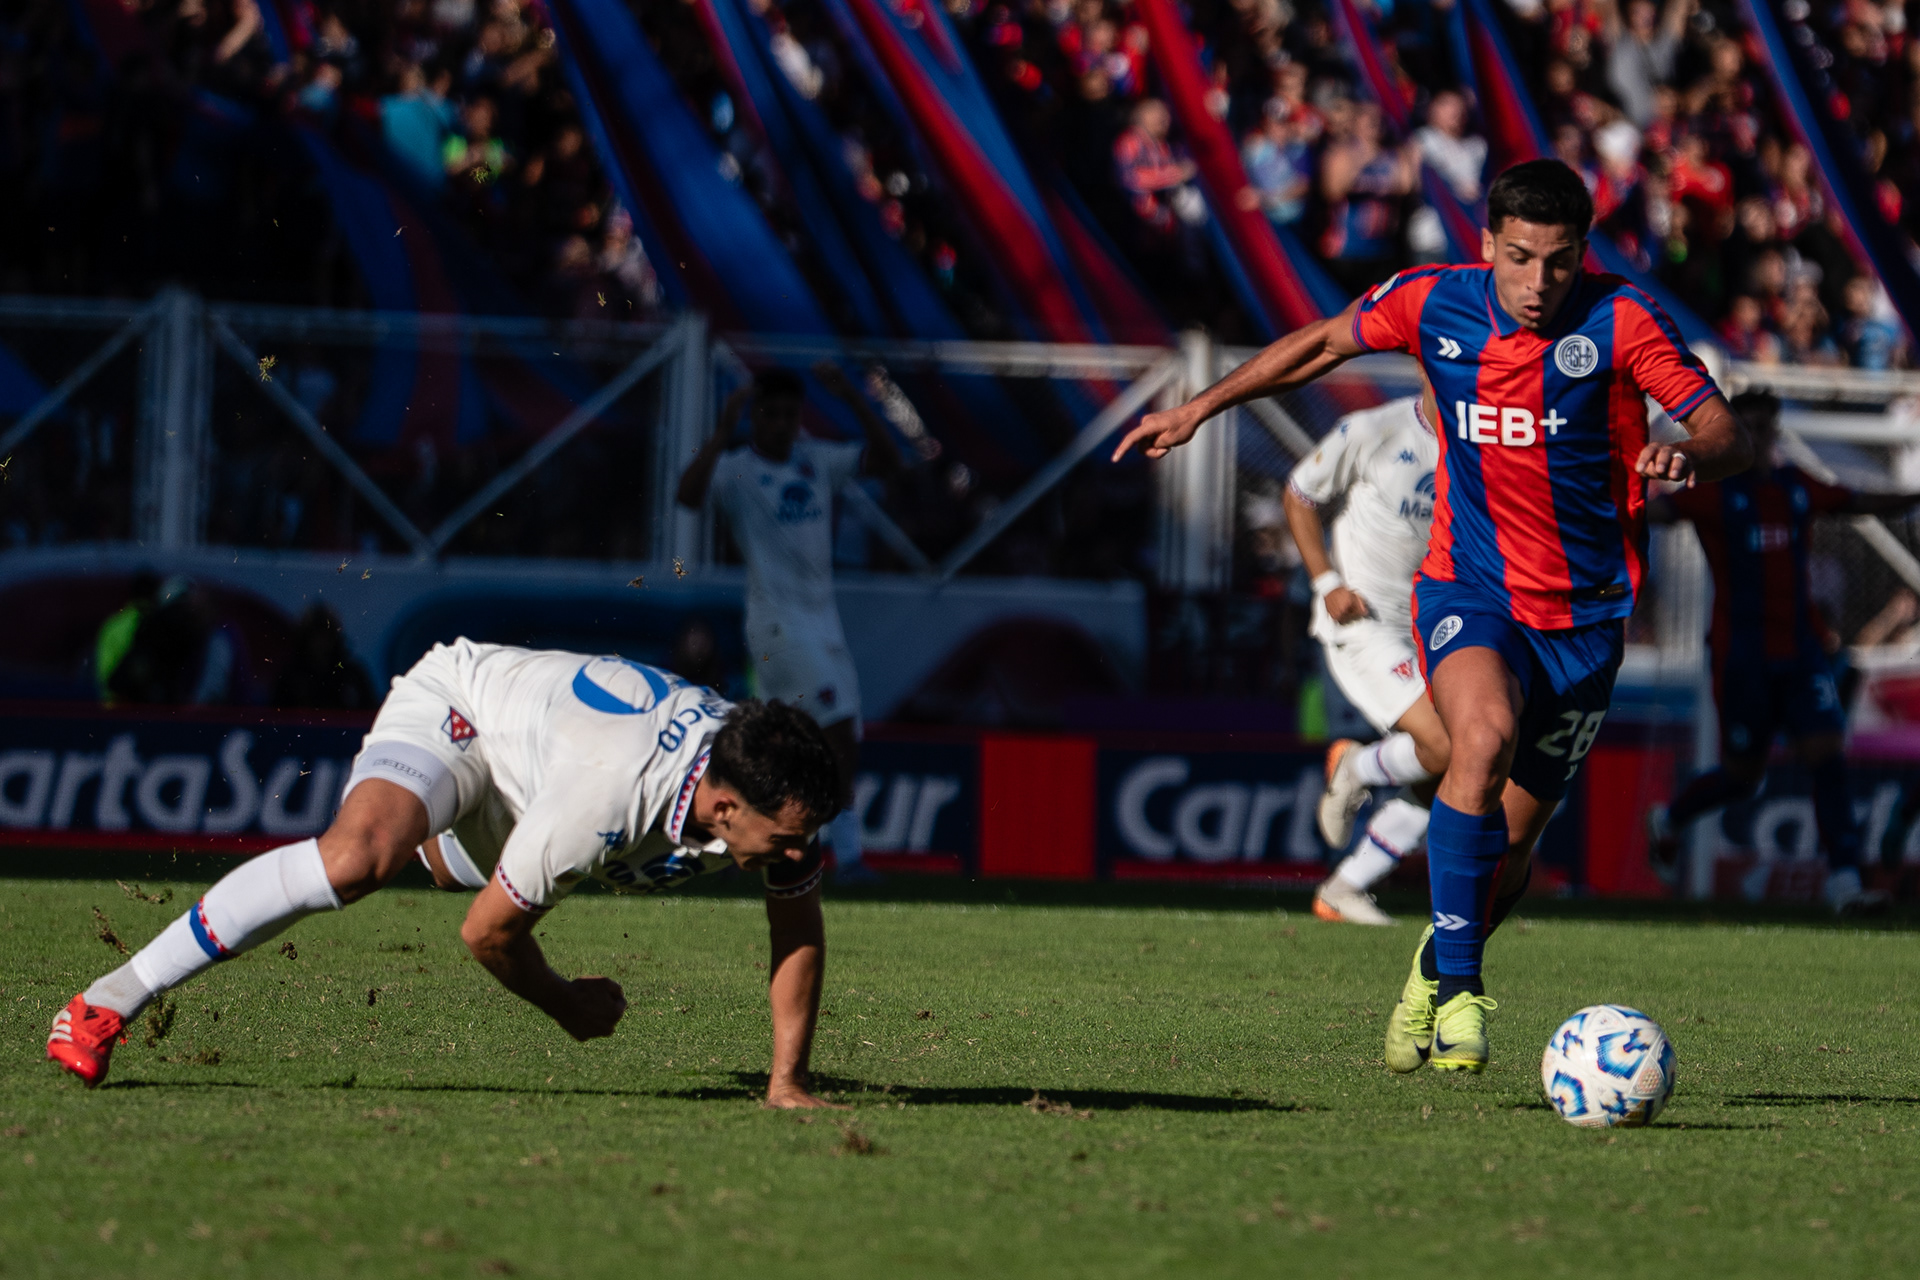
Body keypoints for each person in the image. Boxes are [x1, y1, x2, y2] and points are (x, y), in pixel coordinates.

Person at [1113, 159, 1750, 1074]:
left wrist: (1686, 453)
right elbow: (1322, 344)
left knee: (1518, 840)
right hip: (1470, 589)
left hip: (1586, 617)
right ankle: (1460, 997)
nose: (1539, 284)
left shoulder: (1624, 320)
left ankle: (1434, 967)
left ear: (1584, 255)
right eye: (1521, 258)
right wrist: (1201, 407)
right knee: (1478, 742)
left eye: (1560, 263)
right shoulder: (1431, 302)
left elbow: (1730, 432)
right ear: (1487, 244)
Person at [49, 641, 845, 1107]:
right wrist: (566, 1003)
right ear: (730, 805)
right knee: (359, 861)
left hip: (534, 777)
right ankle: (103, 1002)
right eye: (786, 837)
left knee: (439, 866)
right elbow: (488, 933)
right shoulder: (610, 792)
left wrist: (788, 1081)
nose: (797, 850)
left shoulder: (765, 791)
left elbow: (797, 925)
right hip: (465, 712)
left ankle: (440, 839)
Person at [1647, 391, 1919, 913]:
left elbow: (1856, 500)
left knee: (1827, 755)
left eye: (1764, 428)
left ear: (1773, 432)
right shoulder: (1714, 493)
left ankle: (1845, 883)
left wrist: (1912, 497)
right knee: (1743, 776)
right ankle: (1672, 817)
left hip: (1801, 652)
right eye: (1745, 427)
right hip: (1740, 656)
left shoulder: (1796, 487)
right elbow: (1655, 513)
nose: (1758, 437)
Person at [676, 364, 904, 884]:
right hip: (779, 626)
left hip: (823, 624)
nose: (780, 425)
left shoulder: (815, 461)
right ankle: (845, 858)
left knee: (791, 741)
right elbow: (687, 495)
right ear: (754, 418)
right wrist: (720, 431)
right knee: (838, 731)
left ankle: (755, 839)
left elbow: (891, 461)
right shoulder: (736, 469)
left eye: (789, 415)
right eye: (770, 414)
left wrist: (853, 397)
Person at [1282, 397, 1450, 926]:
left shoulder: (1488, 437)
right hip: (1365, 620)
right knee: (1446, 744)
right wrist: (1327, 582)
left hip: (1442, 626)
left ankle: (1344, 887)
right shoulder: (1375, 429)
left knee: (1462, 763)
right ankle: (1356, 766)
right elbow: (1299, 494)